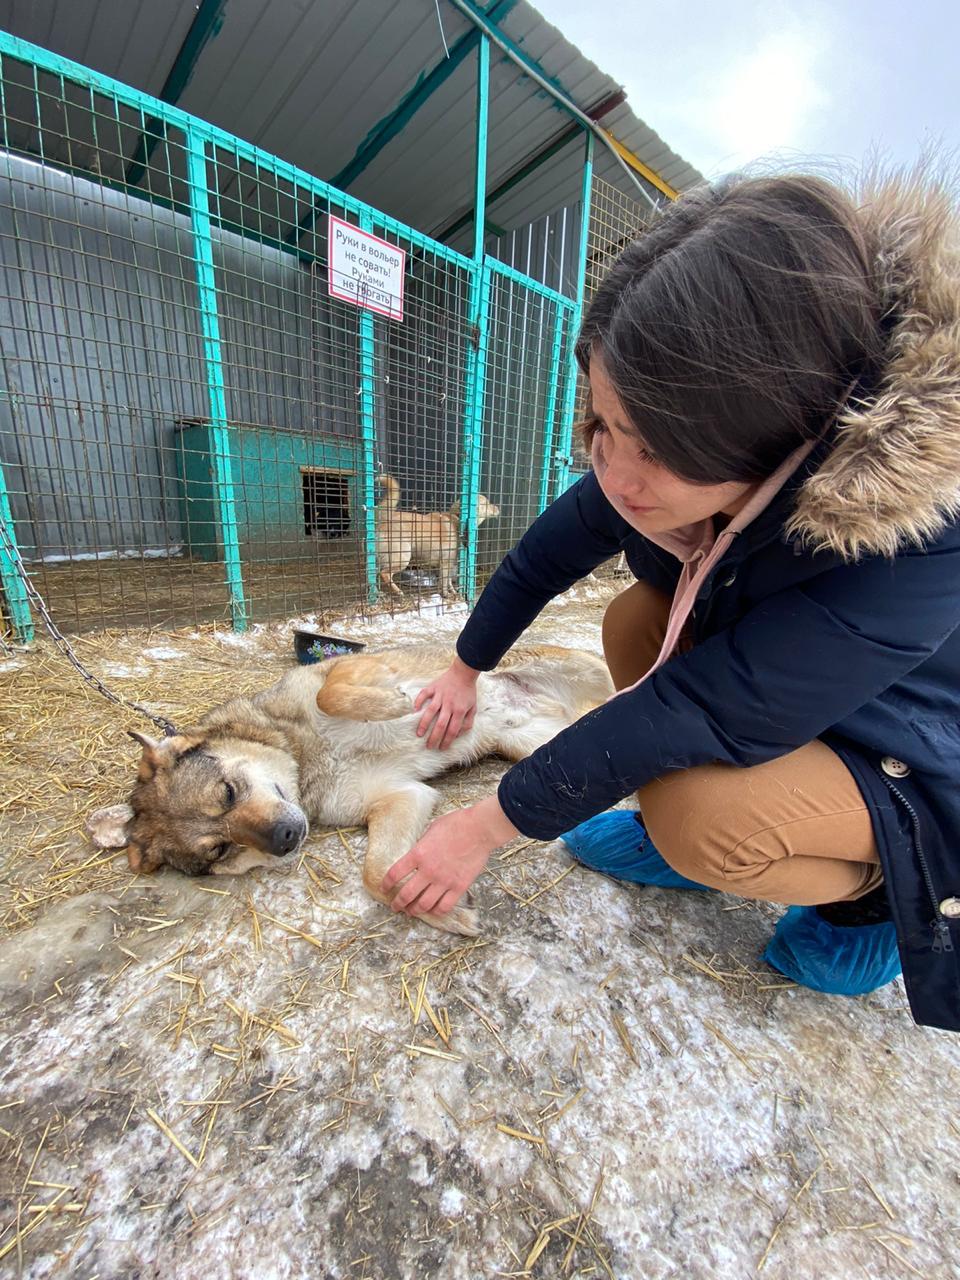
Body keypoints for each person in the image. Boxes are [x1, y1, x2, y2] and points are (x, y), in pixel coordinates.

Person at [382, 164, 960, 1033]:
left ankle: (876, 900)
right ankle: (703, 831)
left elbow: (702, 705)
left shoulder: (916, 529)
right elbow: (542, 559)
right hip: (779, 696)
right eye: (602, 427)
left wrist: (487, 824)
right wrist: (464, 670)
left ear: (781, 422)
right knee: (633, 617)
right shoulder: (679, 462)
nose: (614, 477)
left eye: (653, 447)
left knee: (700, 818)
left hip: (912, 751)